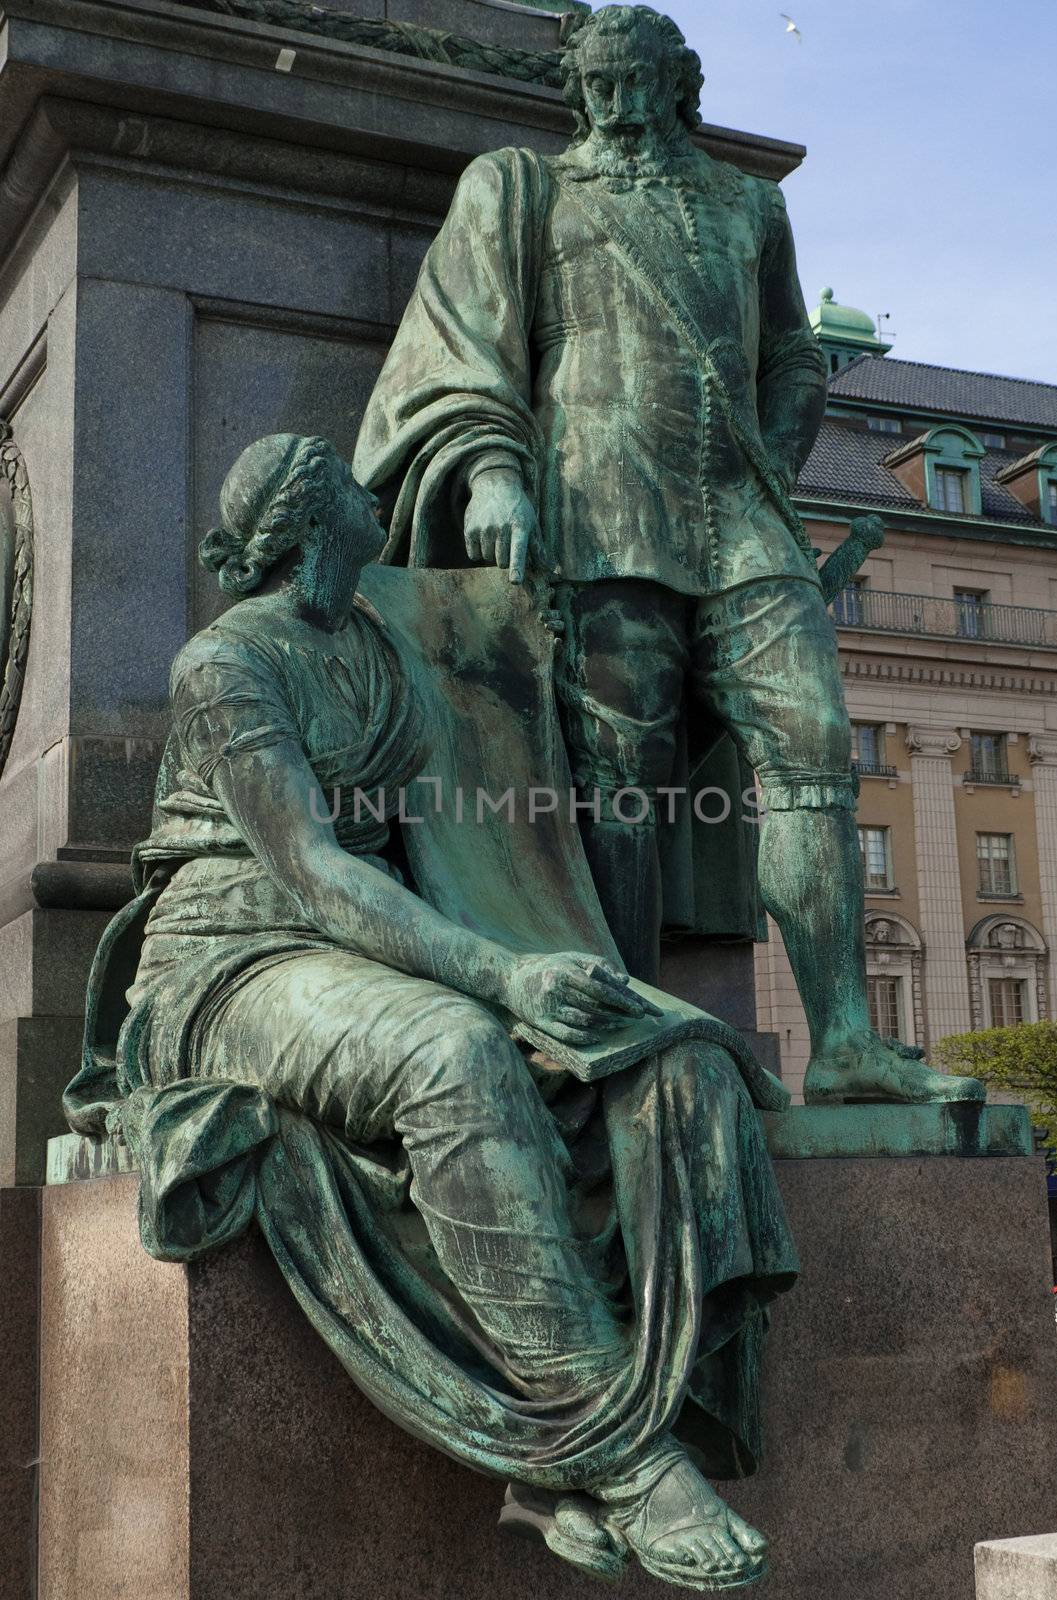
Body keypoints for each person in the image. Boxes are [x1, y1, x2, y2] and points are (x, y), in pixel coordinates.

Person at [65, 433, 800, 1593]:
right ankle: (623, 1452)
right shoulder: (222, 662)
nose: (378, 498)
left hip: (384, 945)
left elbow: (477, 816)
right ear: (314, 526)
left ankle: (561, 1454)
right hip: (230, 962)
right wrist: (503, 981)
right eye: (355, 488)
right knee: (451, 1053)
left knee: (663, 1061)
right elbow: (312, 862)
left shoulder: (381, 645)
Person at [354, 4, 984, 1109]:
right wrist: (494, 468)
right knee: (619, 780)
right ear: (578, 92)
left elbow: (792, 354)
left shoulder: (750, 204)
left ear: (679, 87)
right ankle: (630, 1027)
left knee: (815, 746)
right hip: (600, 511)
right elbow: (462, 346)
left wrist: (779, 460)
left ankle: (843, 1039)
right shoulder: (525, 187)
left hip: (740, 515)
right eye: (601, 85)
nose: (620, 104)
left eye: (641, 82)